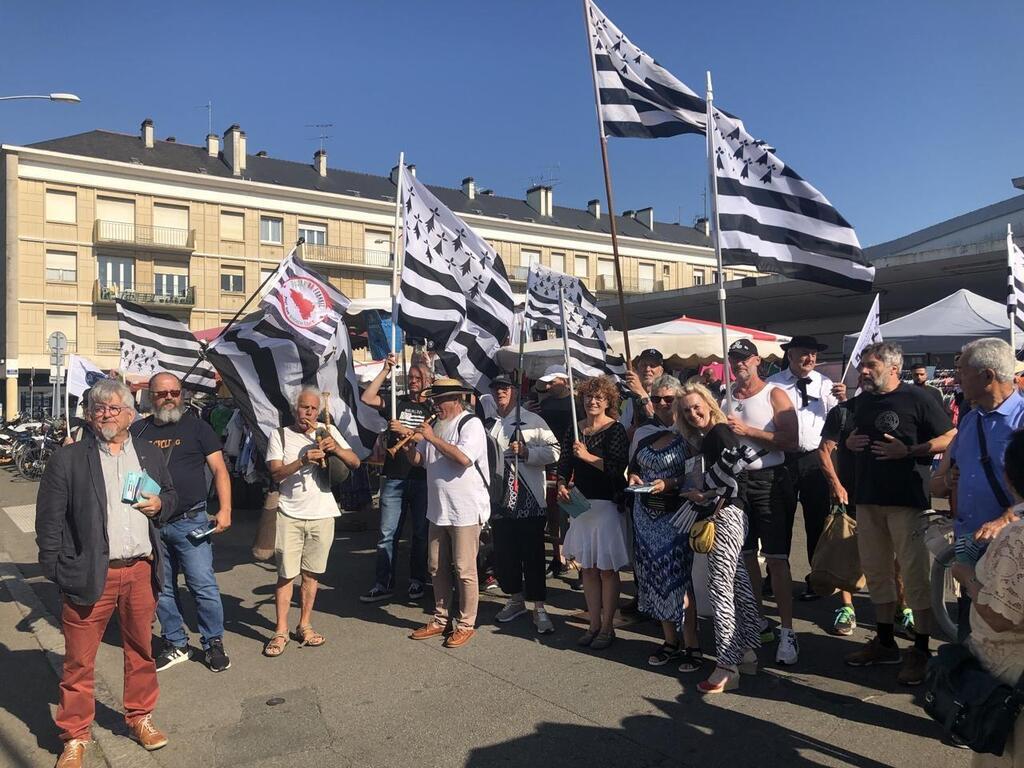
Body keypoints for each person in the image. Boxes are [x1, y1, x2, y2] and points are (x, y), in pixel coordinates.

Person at [37, 379, 178, 766]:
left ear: (131, 414)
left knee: (140, 651)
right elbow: (49, 520)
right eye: (99, 407)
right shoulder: (69, 458)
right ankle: (75, 736)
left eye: (115, 407)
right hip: (88, 572)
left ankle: (140, 717)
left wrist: (160, 504)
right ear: (89, 414)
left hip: (139, 572)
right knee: (79, 661)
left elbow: (171, 495)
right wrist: (55, 569)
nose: (106, 414)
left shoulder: (148, 453)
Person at [843, 342, 956, 685]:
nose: (863, 370)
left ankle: (921, 649)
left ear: (893, 368)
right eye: (862, 364)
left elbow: (950, 435)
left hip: (906, 499)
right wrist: (849, 443)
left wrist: (910, 450)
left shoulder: (918, 398)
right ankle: (885, 640)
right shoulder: (861, 402)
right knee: (876, 572)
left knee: (914, 573)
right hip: (867, 498)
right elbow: (848, 435)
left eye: (870, 365)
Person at [130, 373, 233, 673]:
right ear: (151, 396)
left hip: (192, 521)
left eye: (174, 392)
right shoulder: (138, 430)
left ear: (182, 394)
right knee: (161, 588)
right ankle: (176, 642)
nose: (169, 397)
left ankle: (213, 642)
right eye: (162, 393)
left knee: (203, 585)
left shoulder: (199, 427)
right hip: (151, 523)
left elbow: (220, 470)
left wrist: (225, 509)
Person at [935, 339, 1024, 639]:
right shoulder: (971, 420)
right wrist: (948, 481)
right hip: (970, 552)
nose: (956, 379)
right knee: (970, 639)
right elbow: (939, 481)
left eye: (962, 372)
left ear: (987, 376)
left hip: (1012, 555)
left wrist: (1004, 520)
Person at [676, 382, 762, 693]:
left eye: (697, 406)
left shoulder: (719, 433)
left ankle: (728, 664)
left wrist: (706, 492)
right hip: (731, 515)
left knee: (720, 588)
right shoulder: (712, 436)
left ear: (709, 404)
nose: (693, 413)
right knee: (737, 584)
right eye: (686, 410)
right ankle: (747, 651)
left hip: (724, 516)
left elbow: (738, 477)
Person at [264, 387, 360, 657]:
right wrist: (303, 460)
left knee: (312, 575)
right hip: (289, 513)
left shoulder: (326, 431)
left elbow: (355, 463)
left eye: (313, 409)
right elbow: (275, 474)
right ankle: (280, 630)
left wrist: (336, 448)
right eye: (304, 407)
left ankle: (304, 624)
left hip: (322, 513)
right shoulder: (280, 435)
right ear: (295, 409)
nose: (308, 413)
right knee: (285, 575)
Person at [722, 339, 800, 665]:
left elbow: (790, 441)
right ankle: (757, 620)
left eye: (744, 358)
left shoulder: (775, 394)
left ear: (757, 360)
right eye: (734, 358)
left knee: (777, 558)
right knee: (746, 555)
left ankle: (787, 631)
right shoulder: (724, 397)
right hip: (737, 482)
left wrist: (749, 431)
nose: (739, 364)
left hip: (770, 481)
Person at [951, 429, 1024, 768]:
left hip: (1012, 678)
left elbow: (1001, 615)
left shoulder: (1016, 539)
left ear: (1010, 479)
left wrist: (966, 576)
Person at [405, 378, 490, 648]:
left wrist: (431, 438)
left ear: (455, 400)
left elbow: (464, 458)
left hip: (465, 509)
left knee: (465, 569)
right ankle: (441, 619)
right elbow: (419, 461)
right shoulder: (436, 426)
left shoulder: (470, 424)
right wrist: (408, 444)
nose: (435, 405)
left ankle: (466, 623)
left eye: (439, 400)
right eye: (433, 401)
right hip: (438, 509)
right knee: (436, 566)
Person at [626, 375, 701, 670]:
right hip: (645, 516)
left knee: (681, 582)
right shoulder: (644, 433)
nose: (662, 404)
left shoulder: (691, 435)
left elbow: (698, 477)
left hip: (676, 516)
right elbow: (633, 469)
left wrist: (669, 483)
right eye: (656, 399)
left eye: (669, 399)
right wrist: (634, 478)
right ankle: (670, 640)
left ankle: (692, 645)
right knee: (654, 579)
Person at [767, 336, 847, 604]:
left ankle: (817, 578)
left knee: (817, 520)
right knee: (780, 520)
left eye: (813, 354)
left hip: (815, 459)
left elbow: (838, 420)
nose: (810, 359)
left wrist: (843, 400)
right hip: (783, 459)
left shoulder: (826, 384)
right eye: (804, 354)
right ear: (790, 355)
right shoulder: (773, 384)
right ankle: (776, 575)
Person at [557, 375, 630, 650]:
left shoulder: (616, 430)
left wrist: (587, 456)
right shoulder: (574, 430)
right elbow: (564, 464)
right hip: (582, 506)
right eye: (589, 397)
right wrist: (562, 484)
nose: (593, 401)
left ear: (608, 401)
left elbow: (617, 468)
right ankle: (593, 624)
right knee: (587, 569)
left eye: (599, 397)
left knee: (607, 570)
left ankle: (608, 626)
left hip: (608, 504)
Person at [359, 353, 434, 603]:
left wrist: (406, 433)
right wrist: (385, 371)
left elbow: (434, 439)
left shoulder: (433, 408)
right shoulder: (396, 402)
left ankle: (417, 580)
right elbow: (367, 398)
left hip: (422, 477)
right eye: (410, 377)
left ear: (427, 380)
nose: (413, 381)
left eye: (417, 377)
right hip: (394, 476)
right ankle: (383, 583)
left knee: (420, 535)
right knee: (387, 534)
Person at [488, 374, 560, 634]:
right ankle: (515, 599)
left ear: (515, 391)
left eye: (505, 388)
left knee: (533, 555)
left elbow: (555, 451)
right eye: (496, 388)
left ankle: (539, 607)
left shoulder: (533, 420)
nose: (500, 392)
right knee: (506, 555)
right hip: (499, 498)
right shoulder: (490, 423)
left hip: (529, 498)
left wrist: (528, 453)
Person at [817, 398, 860, 635]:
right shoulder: (843, 411)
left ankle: (902, 608)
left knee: (894, 558)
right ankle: (847, 607)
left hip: (887, 496)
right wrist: (836, 484)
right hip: (850, 494)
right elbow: (824, 450)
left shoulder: (899, 404)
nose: (865, 371)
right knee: (846, 551)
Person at [533, 365, 574, 577]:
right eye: (546, 383)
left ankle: (576, 561)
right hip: (549, 460)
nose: (548, 386)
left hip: (571, 461)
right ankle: (558, 558)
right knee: (553, 511)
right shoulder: (545, 403)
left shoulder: (576, 404)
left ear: (564, 381)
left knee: (573, 511)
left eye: (552, 382)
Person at [620, 348, 664, 431]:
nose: (647, 369)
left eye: (652, 366)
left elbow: (658, 420)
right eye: (644, 365)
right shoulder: (629, 398)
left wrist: (640, 391)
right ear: (637, 369)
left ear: (661, 371)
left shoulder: (667, 397)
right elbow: (622, 425)